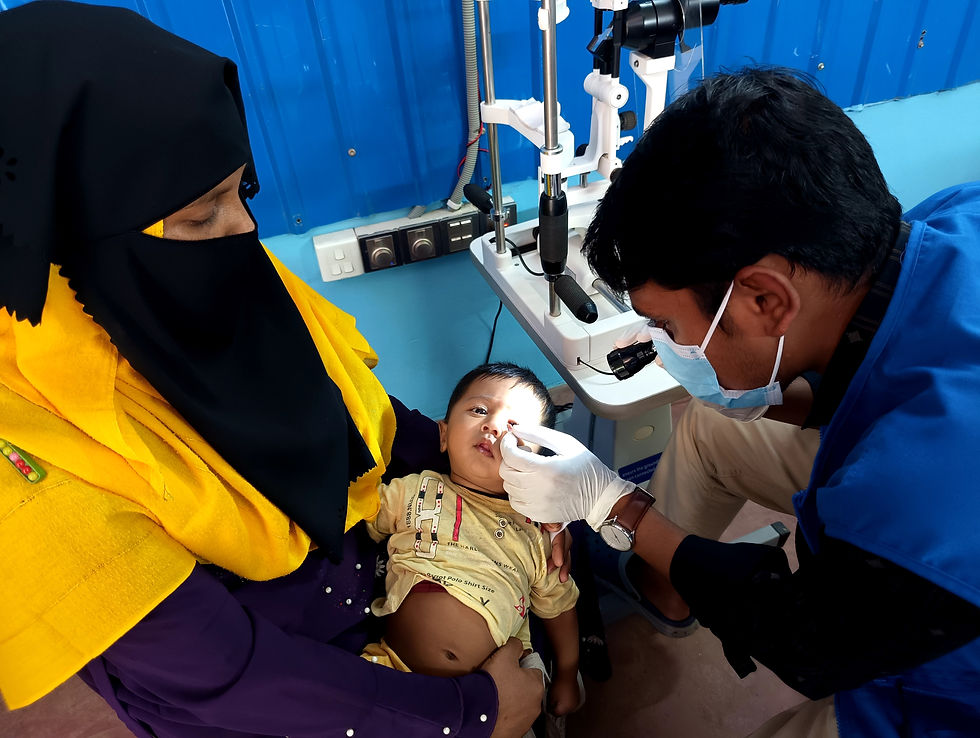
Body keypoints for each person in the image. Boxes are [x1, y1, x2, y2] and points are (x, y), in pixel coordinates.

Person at [0, 3, 543, 736]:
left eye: (241, 192)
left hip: (377, 623)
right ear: (66, 233)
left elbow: (364, 417)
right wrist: (467, 715)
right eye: (200, 215)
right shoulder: (26, 448)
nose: (244, 232)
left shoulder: (214, 280)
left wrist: (518, 495)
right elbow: (218, 669)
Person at [498, 66, 980, 737]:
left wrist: (618, 505)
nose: (662, 344)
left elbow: (808, 643)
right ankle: (662, 585)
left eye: (667, 328)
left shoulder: (928, 493)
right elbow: (879, 358)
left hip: (944, 668)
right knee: (714, 429)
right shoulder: (948, 222)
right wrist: (768, 399)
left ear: (765, 299)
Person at [363, 363, 582, 720]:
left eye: (515, 427)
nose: (493, 425)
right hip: (391, 669)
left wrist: (568, 675)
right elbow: (355, 513)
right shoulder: (414, 489)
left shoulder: (539, 533)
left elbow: (560, 608)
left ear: (535, 464)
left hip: (499, 692)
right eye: (480, 410)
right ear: (444, 434)